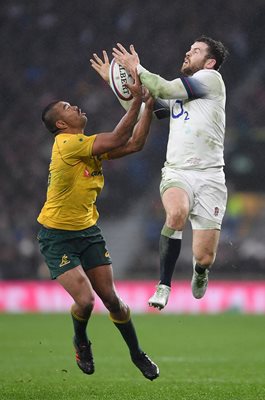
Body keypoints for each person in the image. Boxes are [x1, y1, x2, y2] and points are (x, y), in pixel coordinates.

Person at [37, 71, 159, 381]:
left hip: (88, 232)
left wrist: (147, 105)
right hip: (57, 235)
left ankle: (137, 353)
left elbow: (133, 145)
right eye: (67, 107)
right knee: (86, 301)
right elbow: (119, 138)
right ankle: (81, 340)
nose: (75, 106)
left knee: (112, 300)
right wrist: (134, 101)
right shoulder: (68, 144)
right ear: (61, 124)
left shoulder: (85, 147)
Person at [94, 36, 229, 310]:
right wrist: (116, 84)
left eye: (196, 51)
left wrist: (138, 67)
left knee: (204, 257)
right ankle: (164, 285)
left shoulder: (211, 79)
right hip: (178, 170)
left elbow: (163, 88)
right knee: (176, 213)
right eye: (188, 48)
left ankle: (200, 272)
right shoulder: (181, 94)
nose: (188, 53)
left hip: (210, 177)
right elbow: (147, 108)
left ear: (210, 61)